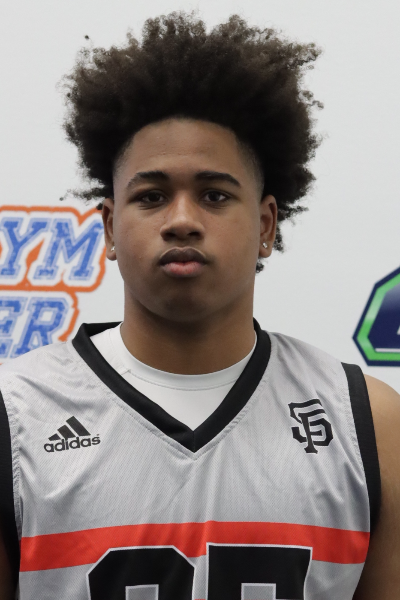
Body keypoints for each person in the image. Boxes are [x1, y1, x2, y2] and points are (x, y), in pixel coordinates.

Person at [0, 12, 399, 599]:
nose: (182, 220)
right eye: (151, 196)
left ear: (265, 225)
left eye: (214, 195)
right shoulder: (15, 415)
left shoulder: (370, 423)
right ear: (109, 227)